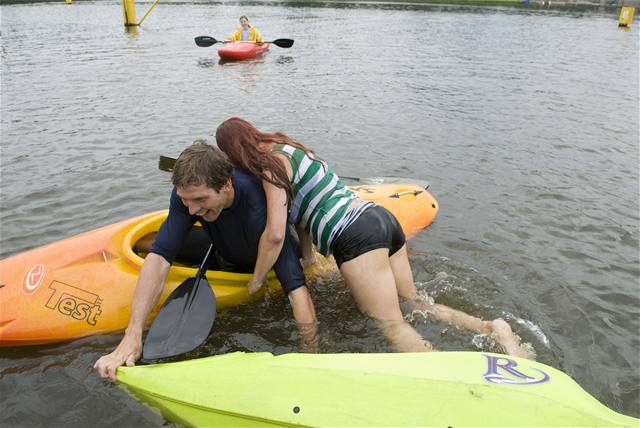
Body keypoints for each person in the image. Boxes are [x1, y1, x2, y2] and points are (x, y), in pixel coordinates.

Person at [216, 117, 530, 358]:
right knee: (413, 304)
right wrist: (310, 259)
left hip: (355, 237)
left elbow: (273, 235)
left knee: (392, 326)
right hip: (380, 218)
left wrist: (256, 280)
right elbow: (304, 210)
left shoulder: (270, 169)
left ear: (231, 153)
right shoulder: (289, 149)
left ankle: (456, 379)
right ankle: (491, 328)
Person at [94, 142, 317, 381]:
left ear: (227, 185)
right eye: (185, 200)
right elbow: (159, 258)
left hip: (265, 257)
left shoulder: (258, 205)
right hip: (221, 247)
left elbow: (297, 291)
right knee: (145, 244)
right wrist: (133, 333)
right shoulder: (188, 197)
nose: (191, 210)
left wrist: (310, 359)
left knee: (288, 277)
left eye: (200, 199)